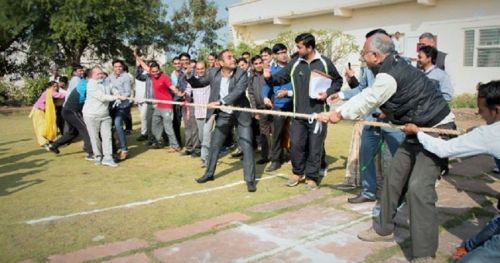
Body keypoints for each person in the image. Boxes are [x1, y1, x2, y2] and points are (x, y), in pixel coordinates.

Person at [317, 32, 455, 261]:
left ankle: (424, 254)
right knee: (393, 179)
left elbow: (370, 97)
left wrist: (339, 113)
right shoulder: (389, 67)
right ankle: (383, 229)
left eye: (364, 53)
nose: (362, 56)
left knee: (419, 188)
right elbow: (383, 95)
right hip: (413, 131)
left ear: (376, 56)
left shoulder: (389, 74)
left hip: (437, 132)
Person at [402, 80, 500, 262]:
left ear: (497, 110)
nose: (478, 113)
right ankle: (470, 246)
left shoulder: (491, 133)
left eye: (482, 109)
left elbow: (444, 149)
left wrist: (418, 132)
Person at [329, 29, 405, 204]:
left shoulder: (399, 66)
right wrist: (340, 95)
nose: (364, 55)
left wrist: (390, 110)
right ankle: (369, 191)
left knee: (400, 159)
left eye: (366, 49)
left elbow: (402, 95)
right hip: (371, 121)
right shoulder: (367, 69)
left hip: (392, 123)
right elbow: (362, 90)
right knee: (366, 156)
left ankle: (402, 195)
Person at [264, 33, 343, 190]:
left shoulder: (324, 63)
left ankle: (312, 177)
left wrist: (328, 92)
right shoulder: (294, 63)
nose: (297, 49)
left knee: (315, 147)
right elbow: (279, 79)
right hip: (298, 115)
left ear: (310, 47)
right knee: (297, 145)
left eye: (299, 47)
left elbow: (338, 80)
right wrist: (268, 77)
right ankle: (297, 173)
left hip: (318, 115)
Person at [185, 49, 257, 192]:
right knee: (215, 144)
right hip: (224, 114)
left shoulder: (241, 73)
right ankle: (209, 173)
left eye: (233, 57)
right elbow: (199, 83)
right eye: (229, 58)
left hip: (240, 113)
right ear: (221, 62)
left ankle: (250, 180)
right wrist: (189, 75)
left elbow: (238, 92)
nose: (233, 59)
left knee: (247, 145)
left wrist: (221, 102)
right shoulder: (213, 73)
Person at [83, 66, 124, 167]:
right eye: (98, 74)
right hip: (91, 115)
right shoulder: (91, 85)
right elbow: (102, 97)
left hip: (105, 115)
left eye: (101, 73)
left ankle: (108, 158)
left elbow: (112, 88)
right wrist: (116, 97)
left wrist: (116, 92)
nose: (101, 75)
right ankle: (98, 156)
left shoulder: (106, 81)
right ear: (92, 76)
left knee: (107, 137)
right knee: (95, 137)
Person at [261, 43, 293, 172]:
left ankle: (293, 156)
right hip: (279, 106)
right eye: (279, 53)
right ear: (274, 55)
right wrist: (265, 96)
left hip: (294, 105)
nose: (283, 55)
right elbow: (266, 86)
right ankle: (275, 160)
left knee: (295, 134)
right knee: (277, 134)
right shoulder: (271, 69)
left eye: (284, 52)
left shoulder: (293, 67)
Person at [48, 69, 93, 160]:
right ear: (88, 77)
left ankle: (54, 145)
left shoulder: (84, 83)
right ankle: (91, 153)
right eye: (96, 75)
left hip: (67, 110)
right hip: (71, 111)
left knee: (73, 133)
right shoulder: (85, 85)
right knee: (85, 129)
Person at [247, 55, 271, 165]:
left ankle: (278, 156)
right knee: (263, 133)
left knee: (276, 132)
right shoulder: (251, 77)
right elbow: (251, 94)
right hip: (260, 109)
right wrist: (254, 110)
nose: (258, 65)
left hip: (272, 107)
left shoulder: (269, 73)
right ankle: (265, 156)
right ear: (252, 65)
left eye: (259, 62)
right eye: (255, 64)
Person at [107, 59, 132, 161]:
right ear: (113, 67)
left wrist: (122, 96)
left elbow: (128, 92)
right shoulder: (109, 77)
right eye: (116, 66)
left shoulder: (126, 77)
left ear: (122, 67)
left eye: (120, 66)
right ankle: (112, 148)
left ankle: (124, 150)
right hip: (112, 105)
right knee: (109, 126)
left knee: (118, 124)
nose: (118, 68)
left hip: (123, 106)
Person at [30, 81, 66, 150]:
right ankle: (43, 143)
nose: (56, 88)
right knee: (41, 128)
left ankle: (48, 140)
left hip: (42, 112)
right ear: (49, 87)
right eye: (54, 86)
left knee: (47, 126)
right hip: (38, 111)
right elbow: (60, 95)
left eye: (56, 86)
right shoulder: (49, 92)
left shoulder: (49, 92)